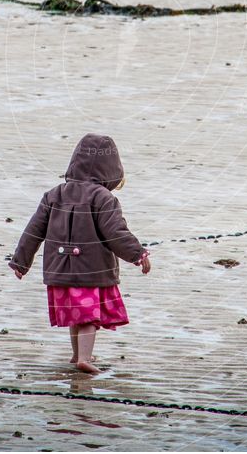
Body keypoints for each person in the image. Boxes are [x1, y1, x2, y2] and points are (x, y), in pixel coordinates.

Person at [9, 133, 151, 374]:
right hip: (90, 269)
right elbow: (115, 232)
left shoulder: (54, 194)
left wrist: (20, 262)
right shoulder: (104, 198)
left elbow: (34, 230)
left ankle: (77, 355)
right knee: (88, 317)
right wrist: (138, 254)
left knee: (77, 315)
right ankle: (85, 358)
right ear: (112, 170)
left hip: (59, 269)